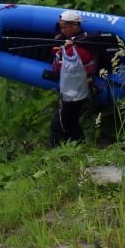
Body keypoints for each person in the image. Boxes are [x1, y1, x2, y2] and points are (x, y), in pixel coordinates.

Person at [49, 10, 97, 146]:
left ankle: (55, 155)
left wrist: (62, 51)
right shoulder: (81, 40)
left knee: (57, 126)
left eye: (65, 27)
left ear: (75, 25)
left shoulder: (80, 46)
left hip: (74, 92)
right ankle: (80, 148)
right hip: (77, 90)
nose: (62, 30)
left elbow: (62, 66)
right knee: (71, 123)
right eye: (61, 27)